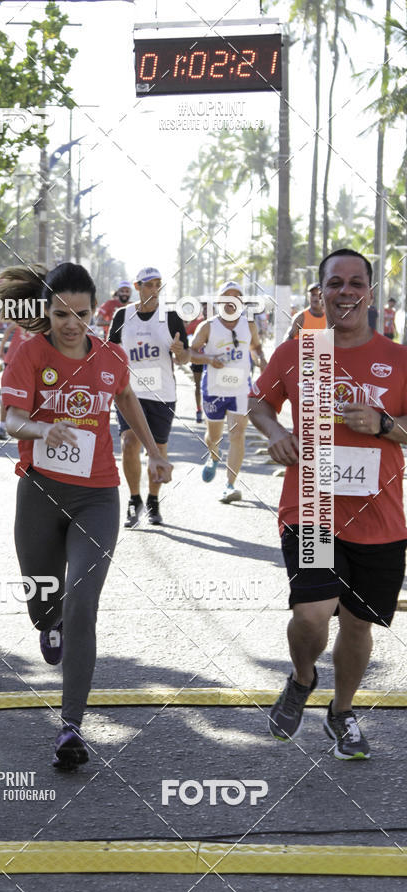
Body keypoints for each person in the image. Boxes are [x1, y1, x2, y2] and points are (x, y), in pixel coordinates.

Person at [0, 262, 172, 768]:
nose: (71, 324)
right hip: (39, 492)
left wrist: (154, 449)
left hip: (97, 496)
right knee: (43, 596)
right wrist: (39, 431)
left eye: (80, 313)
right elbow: (10, 420)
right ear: (45, 310)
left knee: (82, 600)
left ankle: (71, 726)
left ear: (94, 310)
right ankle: (45, 620)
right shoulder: (28, 354)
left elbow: (125, 396)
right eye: (60, 313)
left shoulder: (111, 356)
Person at [248, 248, 407, 760]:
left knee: (358, 624)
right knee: (313, 613)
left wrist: (383, 425)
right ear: (320, 292)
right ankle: (301, 678)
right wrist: (274, 431)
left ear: (369, 290)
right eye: (334, 283)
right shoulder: (299, 351)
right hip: (312, 506)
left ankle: (341, 712)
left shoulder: (399, 359)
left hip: (380, 517)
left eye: (355, 282)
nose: (345, 291)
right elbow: (259, 401)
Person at [108, 266, 189, 527]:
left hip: (162, 393)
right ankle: (134, 500)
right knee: (129, 444)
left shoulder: (172, 317)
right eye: (149, 284)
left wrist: (179, 351)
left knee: (159, 449)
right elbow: (110, 353)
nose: (154, 289)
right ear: (137, 287)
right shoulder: (122, 316)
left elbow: (185, 357)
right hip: (129, 392)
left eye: (158, 284)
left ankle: (153, 501)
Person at [191, 281, 267, 503]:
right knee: (213, 437)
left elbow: (255, 347)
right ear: (219, 301)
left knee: (237, 434)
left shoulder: (249, 324)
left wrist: (261, 359)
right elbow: (191, 353)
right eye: (226, 297)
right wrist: (209, 359)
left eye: (236, 297)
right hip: (213, 388)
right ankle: (214, 456)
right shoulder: (207, 326)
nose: (231, 301)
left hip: (240, 387)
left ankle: (230, 485)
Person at [186, 302, 209, 424]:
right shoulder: (197, 323)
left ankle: (209, 410)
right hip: (198, 359)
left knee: (210, 387)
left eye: (208, 308)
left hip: (211, 360)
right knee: (198, 385)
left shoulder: (218, 324)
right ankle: (199, 410)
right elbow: (187, 335)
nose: (206, 311)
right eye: (204, 309)